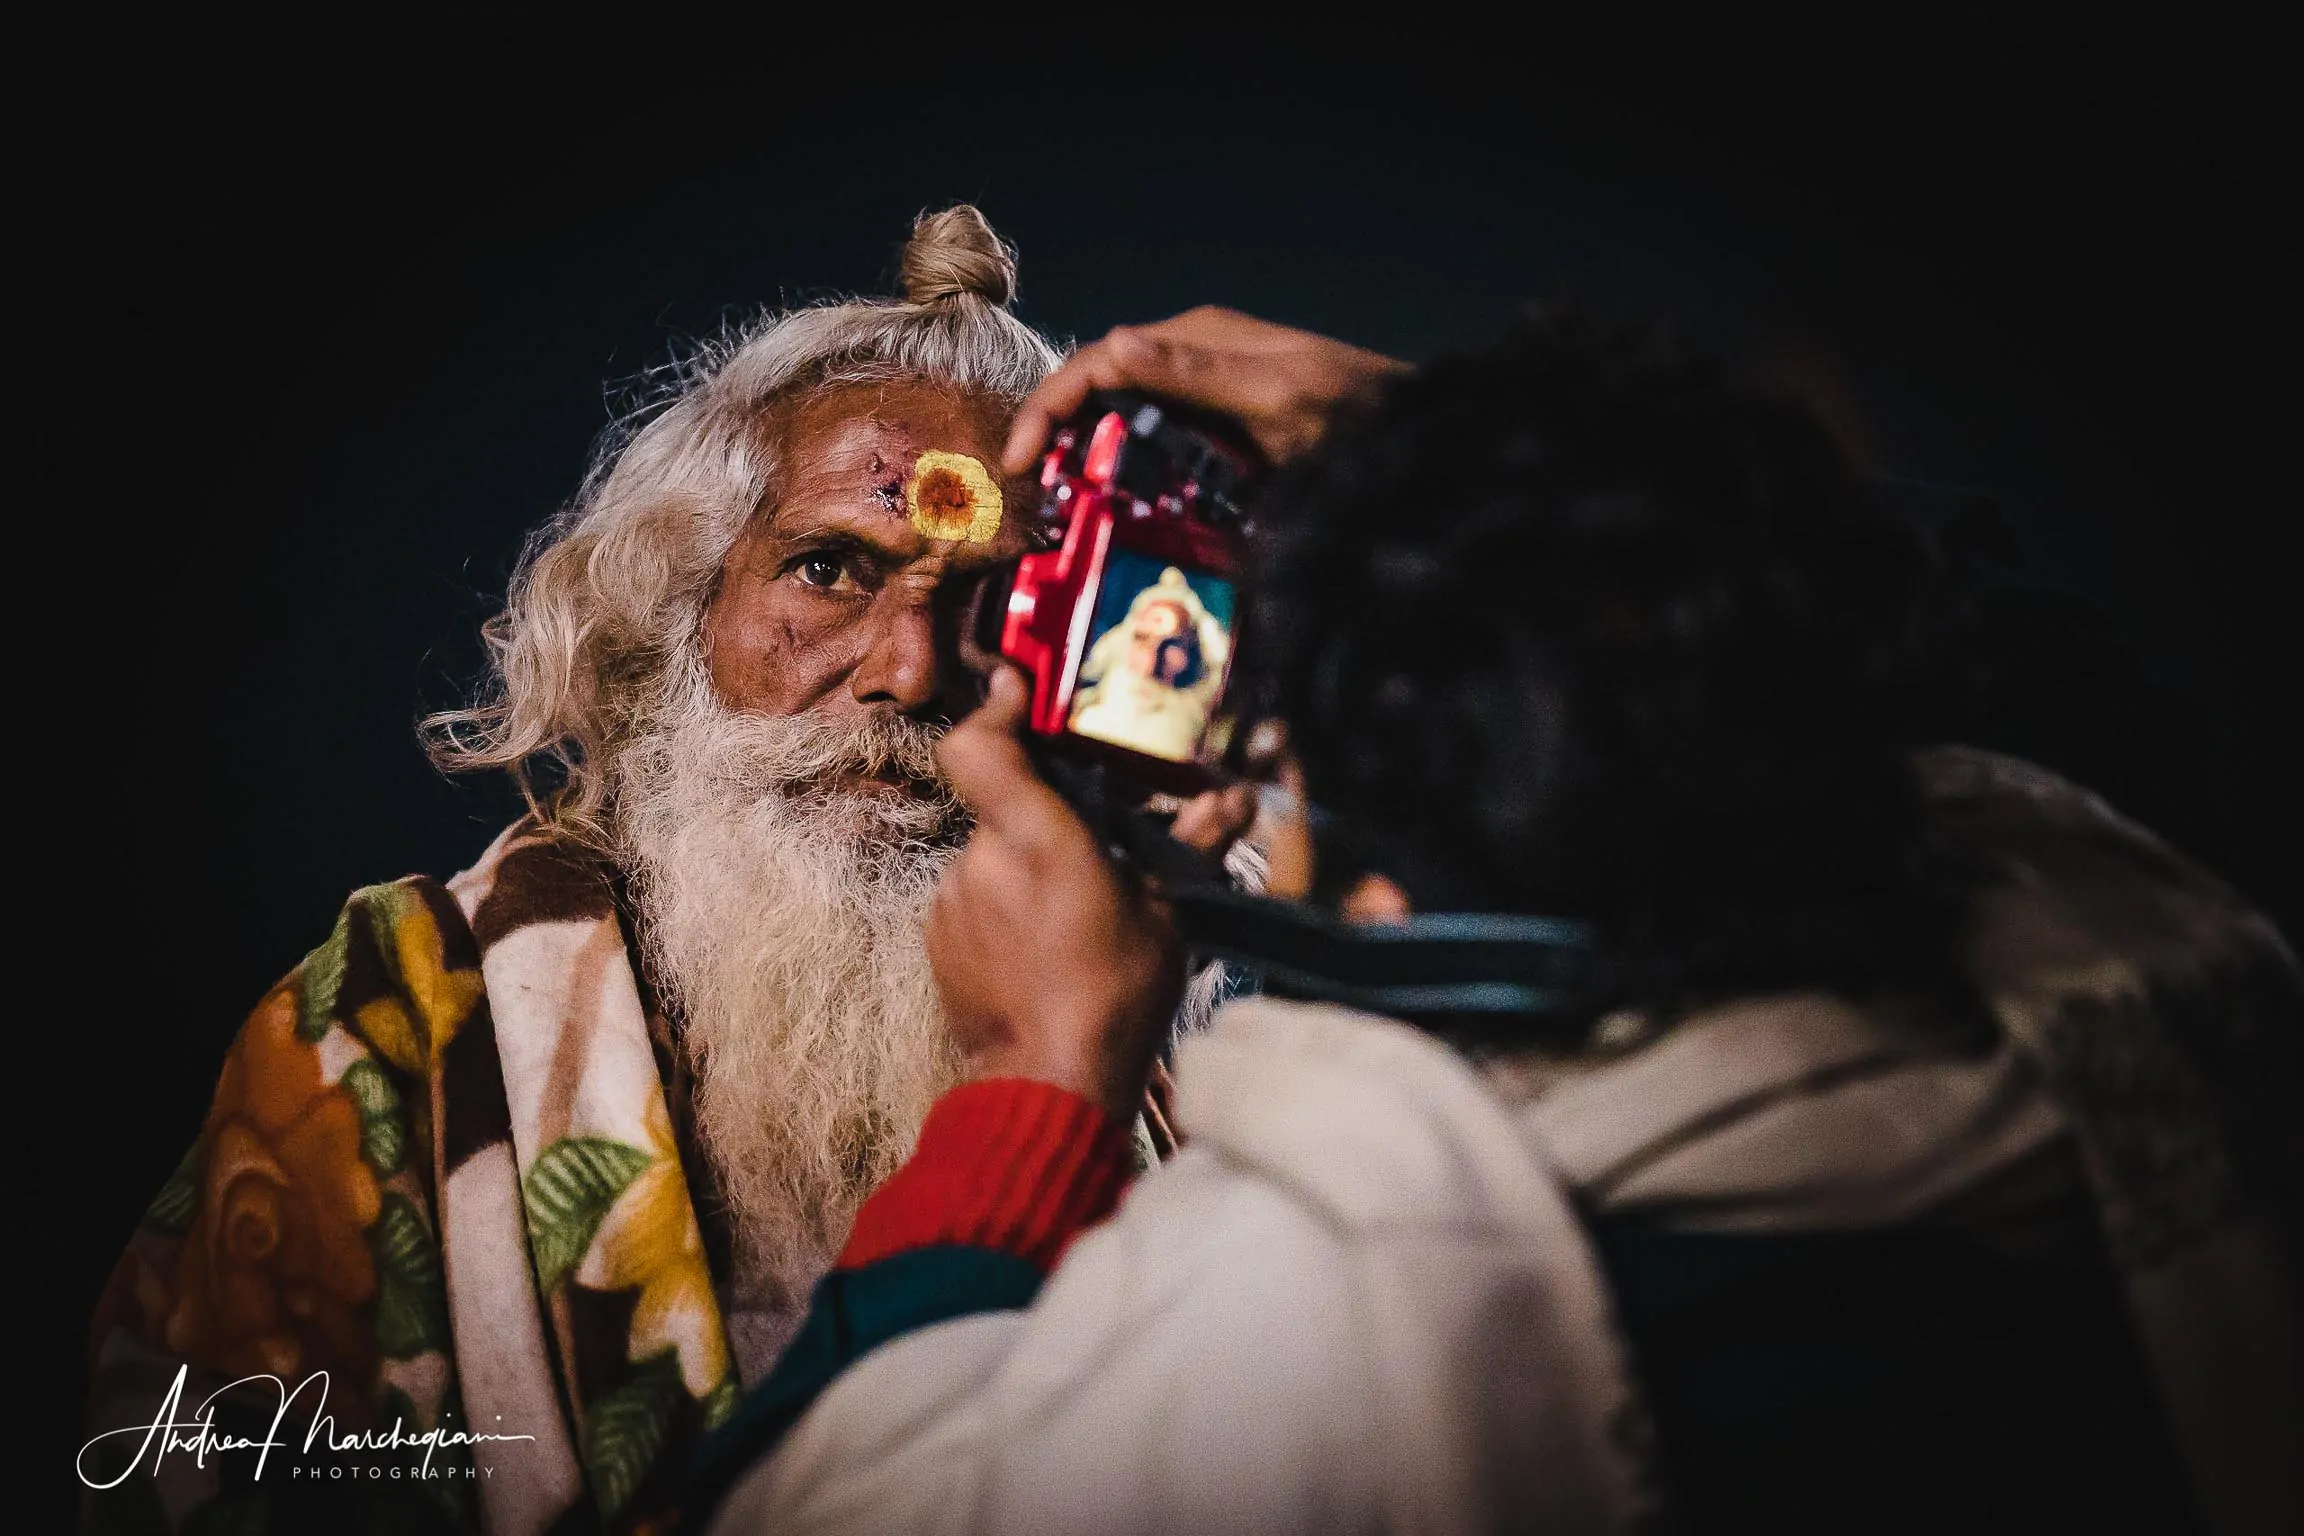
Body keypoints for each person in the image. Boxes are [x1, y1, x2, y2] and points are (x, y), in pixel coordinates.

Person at [698, 308, 2301, 1533]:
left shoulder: (1304, 1326)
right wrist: (1430, 447)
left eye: (1255, 715)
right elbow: (2009, 697)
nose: (917, 672)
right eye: (834, 571)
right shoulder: (2122, 944)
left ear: (1373, 894)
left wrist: (1030, 1069)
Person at [81, 207, 1077, 1536]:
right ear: (680, 623)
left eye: (1003, 609)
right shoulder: (392, 1035)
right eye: (831, 568)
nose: (911, 669)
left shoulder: (1139, 1072)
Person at [1067, 568, 1229, 761]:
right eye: (1142, 638)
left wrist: (1191, 607)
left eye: (1171, 644)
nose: (1152, 657)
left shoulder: (1192, 711)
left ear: (1191, 654)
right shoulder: (1088, 714)